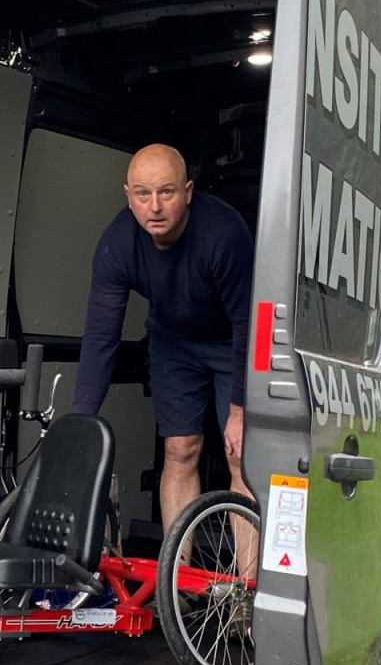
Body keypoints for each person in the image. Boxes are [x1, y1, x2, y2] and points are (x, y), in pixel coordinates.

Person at [73, 144, 254, 530]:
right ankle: (178, 583)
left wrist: (239, 411)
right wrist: (81, 420)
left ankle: (246, 588)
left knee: (242, 455)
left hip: (233, 341)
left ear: (188, 192)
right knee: (180, 449)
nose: (154, 207)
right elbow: (101, 335)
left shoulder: (223, 234)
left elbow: (247, 324)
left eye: (166, 192)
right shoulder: (118, 244)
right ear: (128, 196)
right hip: (173, 341)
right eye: (142, 194)